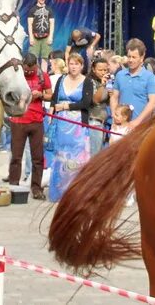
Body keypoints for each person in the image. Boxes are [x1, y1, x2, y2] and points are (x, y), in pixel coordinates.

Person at [47, 54, 94, 201]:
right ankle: (58, 193)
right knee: (60, 156)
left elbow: (86, 103)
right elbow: (54, 98)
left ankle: (76, 193)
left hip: (78, 126)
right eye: (71, 63)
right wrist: (51, 113)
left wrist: (66, 106)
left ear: (81, 66)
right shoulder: (61, 79)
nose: (73, 66)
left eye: (76, 64)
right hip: (61, 123)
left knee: (77, 159)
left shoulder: (87, 81)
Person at [8, 53, 52, 200]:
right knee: (16, 157)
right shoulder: (17, 75)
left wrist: (40, 94)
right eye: (26, 70)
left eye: (30, 71)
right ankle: (13, 186)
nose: (28, 73)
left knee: (38, 158)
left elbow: (50, 95)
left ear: (35, 66)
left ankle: (36, 188)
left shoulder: (42, 75)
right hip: (18, 120)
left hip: (36, 120)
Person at [109, 38, 155, 129]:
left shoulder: (149, 77)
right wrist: (114, 117)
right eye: (129, 56)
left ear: (142, 57)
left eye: (134, 57)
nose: (130, 60)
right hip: (121, 127)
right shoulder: (120, 75)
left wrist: (137, 121)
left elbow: (153, 102)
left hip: (142, 127)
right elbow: (114, 97)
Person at [86, 57, 111, 155]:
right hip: (93, 121)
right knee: (94, 155)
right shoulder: (90, 82)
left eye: (105, 70)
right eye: (100, 70)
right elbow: (95, 100)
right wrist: (102, 85)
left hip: (104, 122)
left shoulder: (107, 81)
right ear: (93, 69)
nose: (103, 72)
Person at [26, 0, 55, 72]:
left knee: (45, 57)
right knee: (33, 57)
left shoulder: (49, 10)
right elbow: (30, 24)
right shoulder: (32, 10)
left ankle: (44, 76)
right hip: (35, 37)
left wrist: (51, 37)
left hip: (46, 36)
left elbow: (52, 24)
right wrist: (31, 38)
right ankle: (37, 75)